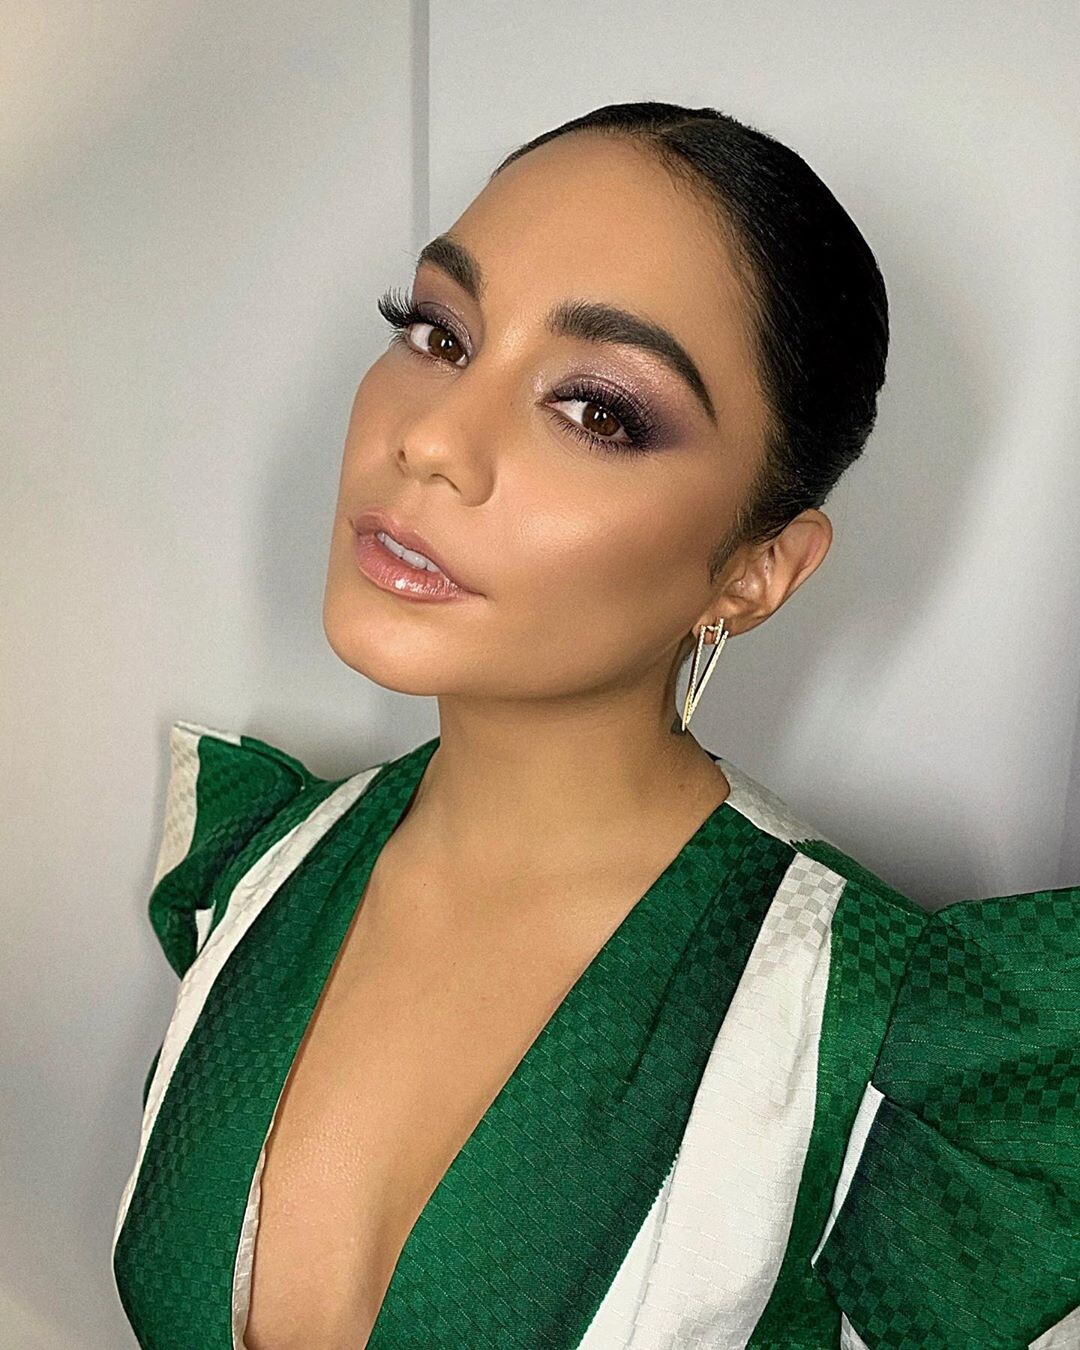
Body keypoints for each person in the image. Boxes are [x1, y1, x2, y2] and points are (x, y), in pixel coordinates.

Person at [110, 101, 1080, 1349]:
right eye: (438, 333)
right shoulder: (254, 869)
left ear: (758, 571)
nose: (431, 440)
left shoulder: (870, 1038)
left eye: (600, 412)